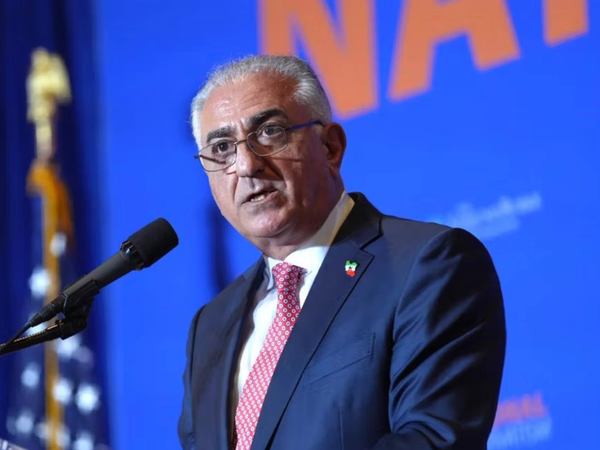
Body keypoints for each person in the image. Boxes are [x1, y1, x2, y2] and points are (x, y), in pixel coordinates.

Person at [178, 54, 506, 450]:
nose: (246, 164)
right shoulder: (211, 325)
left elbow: (431, 439)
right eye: (221, 148)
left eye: (269, 132)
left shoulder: (427, 264)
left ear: (331, 147)